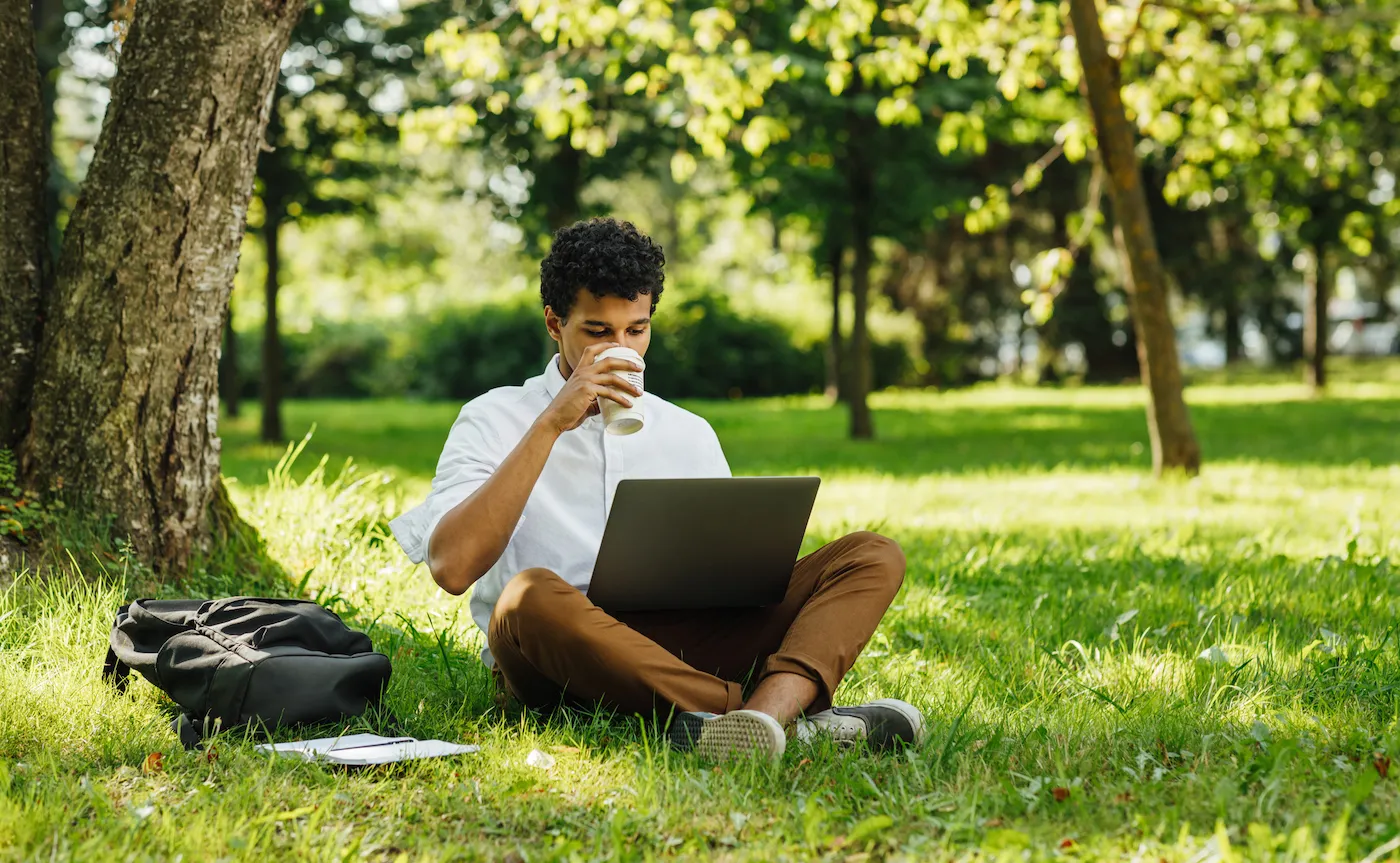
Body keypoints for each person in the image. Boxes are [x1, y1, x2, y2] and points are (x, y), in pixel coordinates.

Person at [390, 217, 922, 761]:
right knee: (528, 596)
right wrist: (551, 423)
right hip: (555, 655)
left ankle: (762, 722)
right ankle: (772, 715)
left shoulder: (687, 431)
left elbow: (732, 578)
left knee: (870, 554)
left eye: (636, 330)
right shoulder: (493, 417)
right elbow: (452, 567)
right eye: (597, 332)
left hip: (684, 644)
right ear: (555, 323)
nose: (621, 348)